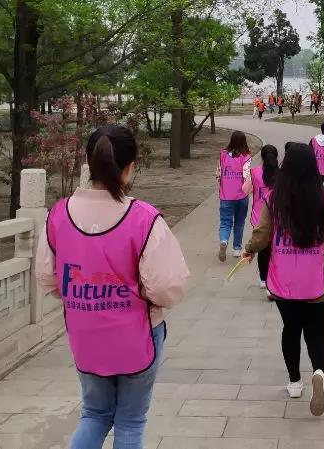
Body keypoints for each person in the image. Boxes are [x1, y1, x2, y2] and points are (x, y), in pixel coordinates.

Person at [36, 124, 189, 449]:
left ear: (88, 162)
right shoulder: (144, 218)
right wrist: (143, 296)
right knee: (130, 422)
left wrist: (80, 297)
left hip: (85, 334)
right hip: (137, 337)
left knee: (94, 414)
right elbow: (168, 287)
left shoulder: (58, 215)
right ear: (130, 167)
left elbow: (48, 277)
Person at [243, 142, 324, 416]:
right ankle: (319, 373)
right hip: (314, 280)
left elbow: (262, 234)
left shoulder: (274, 199)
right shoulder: (323, 199)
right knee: (317, 332)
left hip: (284, 279)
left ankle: (295, 382)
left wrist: (250, 250)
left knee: (291, 329)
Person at [242, 144, 279, 291]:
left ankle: (263, 279)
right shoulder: (282, 174)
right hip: (278, 217)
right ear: (276, 157)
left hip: (258, 217)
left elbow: (245, 190)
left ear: (262, 157)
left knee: (263, 247)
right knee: (276, 249)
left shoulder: (254, 172)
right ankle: (275, 276)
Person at [216, 131, 252, 261]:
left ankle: (224, 240)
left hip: (226, 195)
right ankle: (237, 249)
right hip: (241, 196)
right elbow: (247, 176)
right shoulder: (246, 157)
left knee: (225, 222)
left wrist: (222, 185)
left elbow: (218, 173)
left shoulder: (223, 155)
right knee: (239, 222)